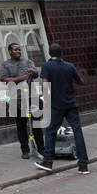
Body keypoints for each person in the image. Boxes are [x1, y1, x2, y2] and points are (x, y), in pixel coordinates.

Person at [35, 44, 90, 174]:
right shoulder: (69, 66)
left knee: (50, 132)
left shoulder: (47, 66)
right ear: (61, 53)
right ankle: (83, 165)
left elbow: (45, 84)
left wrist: (46, 101)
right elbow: (81, 81)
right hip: (71, 104)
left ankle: (47, 162)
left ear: (49, 53)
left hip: (56, 105)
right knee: (78, 132)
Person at [0, 42, 43, 159]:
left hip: (32, 97)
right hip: (16, 99)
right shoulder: (5, 64)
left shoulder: (27, 62)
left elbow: (36, 73)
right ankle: (25, 150)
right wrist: (22, 78)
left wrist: (33, 73)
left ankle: (41, 149)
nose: (18, 51)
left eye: (19, 50)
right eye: (15, 50)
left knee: (36, 124)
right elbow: (4, 79)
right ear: (10, 51)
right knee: (21, 125)